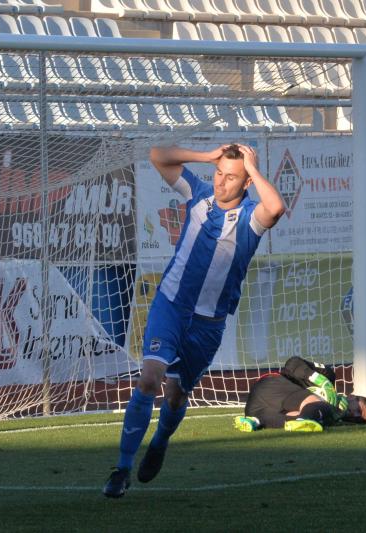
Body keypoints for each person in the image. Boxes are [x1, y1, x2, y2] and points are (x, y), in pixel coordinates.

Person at [103, 143, 285, 498]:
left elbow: (276, 206)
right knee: (148, 381)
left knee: (175, 395)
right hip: (170, 305)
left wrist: (252, 167)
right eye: (219, 174)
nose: (220, 182)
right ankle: (121, 469)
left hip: (208, 323)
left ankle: (160, 440)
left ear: (246, 183)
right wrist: (209, 157)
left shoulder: (251, 217)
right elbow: (158, 155)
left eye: (231, 177)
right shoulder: (199, 194)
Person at [233, 356, 366, 432]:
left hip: (257, 410)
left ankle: (253, 422)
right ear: (352, 396)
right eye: (359, 409)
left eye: (357, 419)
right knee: (317, 409)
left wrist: (333, 415)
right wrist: (319, 379)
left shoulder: (329, 415)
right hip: (271, 386)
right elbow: (292, 363)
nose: (354, 414)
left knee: (310, 419)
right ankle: (303, 419)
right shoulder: (328, 377)